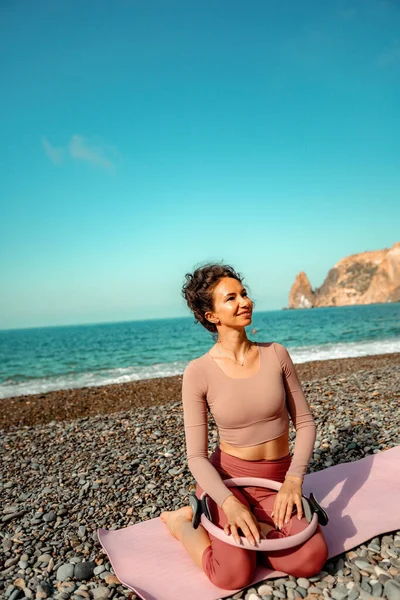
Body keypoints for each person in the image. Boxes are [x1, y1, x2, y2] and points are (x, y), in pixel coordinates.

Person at [161, 263, 328, 590]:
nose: (244, 302)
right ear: (212, 316)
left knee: (311, 558)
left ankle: (252, 531)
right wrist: (229, 502)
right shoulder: (198, 373)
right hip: (229, 479)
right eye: (231, 298)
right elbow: (196, 457)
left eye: (244, 293)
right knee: (231, 575)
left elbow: (305, 423)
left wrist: (294, 479)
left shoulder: (277, 354)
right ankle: (182, 523)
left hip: (278, 481)